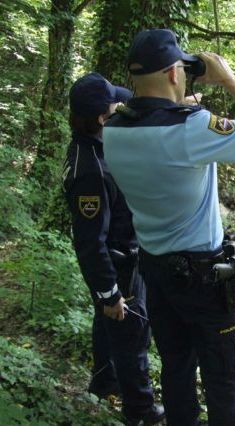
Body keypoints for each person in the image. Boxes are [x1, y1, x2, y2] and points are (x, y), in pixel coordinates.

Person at [103, 29, 235, 425]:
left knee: (176, 369)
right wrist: (229, 79)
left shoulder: (113, 130)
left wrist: (180, 108)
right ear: (174, 73)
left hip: (155, 272)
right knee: (223, 381)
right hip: (205, 279)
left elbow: (155, 126)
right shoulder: (193, 129)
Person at [63, 72, 165, 425]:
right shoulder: (90, 172)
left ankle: (104, 383)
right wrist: (109, 292)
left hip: (121, 261)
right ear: (100, 118)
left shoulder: (93, 145)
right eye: (112, 107)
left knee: (109, 324)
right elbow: (90, 242)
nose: (119, 108)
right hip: (119, 267)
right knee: (132, 335)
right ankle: (140, 409)